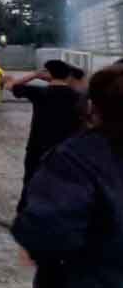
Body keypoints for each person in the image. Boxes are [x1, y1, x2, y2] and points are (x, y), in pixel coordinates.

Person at [12, 64, 123, 288]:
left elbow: (44, 234)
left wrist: (35, 75)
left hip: (86, 278)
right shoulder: (75, 96)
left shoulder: (76, 159)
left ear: (94, 106)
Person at [8, 60, 86, 213]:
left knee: (31, 181)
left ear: (48, 74)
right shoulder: (78, 97)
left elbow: (10, 85)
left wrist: (34, 75)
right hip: (66, 151)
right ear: (68, 76)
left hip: (37, 148)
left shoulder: (38, 92)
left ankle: (25, 214)